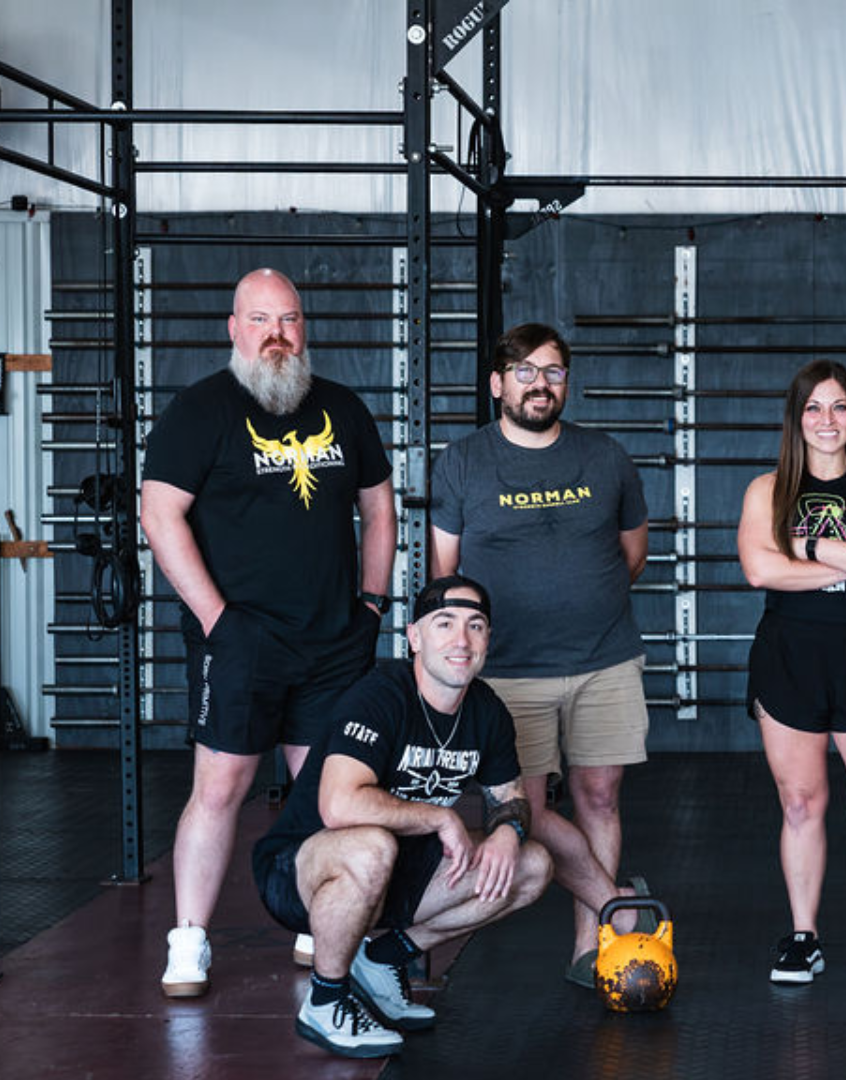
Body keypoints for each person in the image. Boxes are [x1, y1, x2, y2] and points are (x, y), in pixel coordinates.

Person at [141, 268, 395, 997]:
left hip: (334, 638)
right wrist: (219, 621)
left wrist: (372, 606)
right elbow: (159, 516)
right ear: (234, 328)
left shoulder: (343, 409)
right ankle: (189, 940)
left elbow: (379, 511)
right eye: (260, 320)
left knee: (327, 790)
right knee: (219, 787)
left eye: (288, 320)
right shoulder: (200, 411)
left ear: (303, 328)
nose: (277, 335)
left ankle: (323, 917)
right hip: (241, 638)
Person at [429, 323, 650, 987]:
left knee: (600, 796)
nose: (540, 384)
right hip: (510, 670)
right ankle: (614, 901)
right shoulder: (464, 460)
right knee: (521, 811)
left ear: (566, 384)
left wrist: (582, 598)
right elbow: (446, 576)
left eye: (552, 372)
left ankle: (590, 945)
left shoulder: (606, 456)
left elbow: (630, 555)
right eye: (524, 372)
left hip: (603, 656)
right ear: (497, 384)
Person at [251, 577, 553, 1058]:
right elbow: (339, 805)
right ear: (414, 637)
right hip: (302, 869)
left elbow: (510, 799)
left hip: (398, 873)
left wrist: (507, 832)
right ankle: (325, 1001)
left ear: (488, 641)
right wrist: (439, 818)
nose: (461, 640)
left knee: (531, 865)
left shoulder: (486, 711)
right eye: (445, 624)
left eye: (476, 627)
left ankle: (381, 957)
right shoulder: (379, 696)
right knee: (373, 844)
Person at [736, 361, 846, 990]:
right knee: (801, 803)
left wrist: (805, 549)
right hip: (789, 654)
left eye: (839, 407)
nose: (827, 420)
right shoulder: (767, 490)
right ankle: (804, 937)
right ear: (797, 418)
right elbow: (760, 572)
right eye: (815, 408)